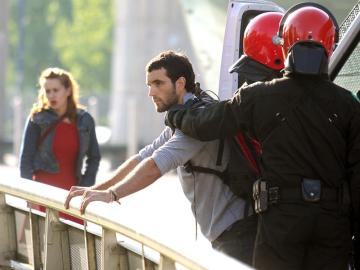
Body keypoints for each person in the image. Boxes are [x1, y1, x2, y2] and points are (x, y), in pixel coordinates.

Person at [165, 3, 360, 270]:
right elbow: (357, 175)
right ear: (330, 46)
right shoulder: (348, 104)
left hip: (280, 222)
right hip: (332, 224)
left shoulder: (258, 96)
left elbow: (205, 124)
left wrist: (175, 113)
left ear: (285, 44)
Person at [64, 50, 257, 265]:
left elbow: (155, 166)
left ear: (180, 83)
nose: (151, 92)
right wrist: (99, 189)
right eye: (149, 85)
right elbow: (143, 156)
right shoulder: (185, 115)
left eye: (158, 83)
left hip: (238, 233)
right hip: (228, 231)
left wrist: (111, 194)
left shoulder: (197, 125)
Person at [20, 67, 101, 223]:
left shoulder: (85, 120)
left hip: (71, 197)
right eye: (47, 91)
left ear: (68, 90)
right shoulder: (37, 119)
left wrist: (85, 188)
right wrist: (29, 195)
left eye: (56, 90)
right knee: (43, 244)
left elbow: (94, 157)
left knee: (73, 245)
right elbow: (25, 160)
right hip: (41, 194)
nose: (51, 95)